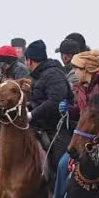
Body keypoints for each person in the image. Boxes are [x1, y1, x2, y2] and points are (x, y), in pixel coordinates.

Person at [51, 48, 99, 198]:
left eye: (77, 68)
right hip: (84, 135)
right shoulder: (79, 87)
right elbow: (81, 113)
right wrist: (68, 109)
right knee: (64, 164)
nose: (74, 72)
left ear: (86, 69)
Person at [24, 40, 72, 173]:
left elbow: (55, 101)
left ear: (29, 61)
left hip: (55, 128)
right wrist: (27, 106)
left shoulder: (53, 74)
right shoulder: (38, 76)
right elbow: (38, 100)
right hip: (39, 125)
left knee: (59, 165)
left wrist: (32, 114)